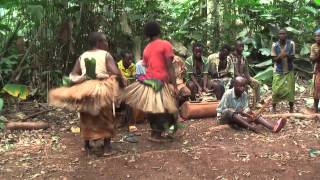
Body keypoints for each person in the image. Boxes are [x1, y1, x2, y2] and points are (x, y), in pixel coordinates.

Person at [49, 32, 123, 155]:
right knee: (105, 115)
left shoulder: (82, 56)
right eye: (105, 40)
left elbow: (73, 75)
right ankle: (106, 147)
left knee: (86, 115)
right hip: (101, 88)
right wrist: (108, 76)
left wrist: (82, 78)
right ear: (99, 42)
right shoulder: (106, 55)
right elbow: (116, 72)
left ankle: (87, 146)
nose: (107, 43)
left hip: (86, 88)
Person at [123, 21, 178, 143]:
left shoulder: (146, 48)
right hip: (158, 82)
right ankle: (156, 135)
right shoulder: (165, 44)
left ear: (147, 34)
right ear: (159, 31)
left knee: (154, 108)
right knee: (163, 109)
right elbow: (170, 67)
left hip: (148, 82)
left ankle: (155, 132)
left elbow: (147, 66)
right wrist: (174, 86)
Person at [217, 76, 287, 133]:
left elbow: (245, 108)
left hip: (238, 117)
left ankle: (273, 127)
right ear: (234, 85)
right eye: (240, 86)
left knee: (254, 115)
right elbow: (221, 110)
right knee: (230, 112)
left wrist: (248, 113)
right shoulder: (228, 94)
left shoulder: (244, 94)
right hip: (224, 118)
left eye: (244, 86)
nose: (242, 89)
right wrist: (236, 111)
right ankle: (251, 128)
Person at [227, 40, 261, 108]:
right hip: (233, 78)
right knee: (243, 85)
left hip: (243, 77)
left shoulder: (243, 58)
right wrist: (243, 80)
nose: (242, 48)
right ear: (236, 47)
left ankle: (257, 102)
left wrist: (249, 80)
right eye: (240, 46)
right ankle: (244, 105)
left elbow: (246, 71)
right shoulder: (230, 57)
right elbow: (232, 71)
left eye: (243, 47)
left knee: (257, 83)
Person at [271, 29, 296, 113]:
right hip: (278, 70)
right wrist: (280, 56)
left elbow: (293, 57)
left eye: (283, 34)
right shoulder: (275, 45)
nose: (282, 35)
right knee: (275, 89)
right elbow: (274, 59)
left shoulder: (291, 44)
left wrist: (287, 55)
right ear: (278, 35)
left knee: (290, 90)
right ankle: (274, 107)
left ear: (286, 34)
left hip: (289, 70)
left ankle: (291, 108)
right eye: (280, 34)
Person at [310, 29, 320, 113]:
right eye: (316, 36)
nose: (317, 37)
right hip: (318, 70)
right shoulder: (314, 46)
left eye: (319, 36)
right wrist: (318, 54)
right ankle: (316, 108)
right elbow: (312, 60)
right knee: (316, 89)